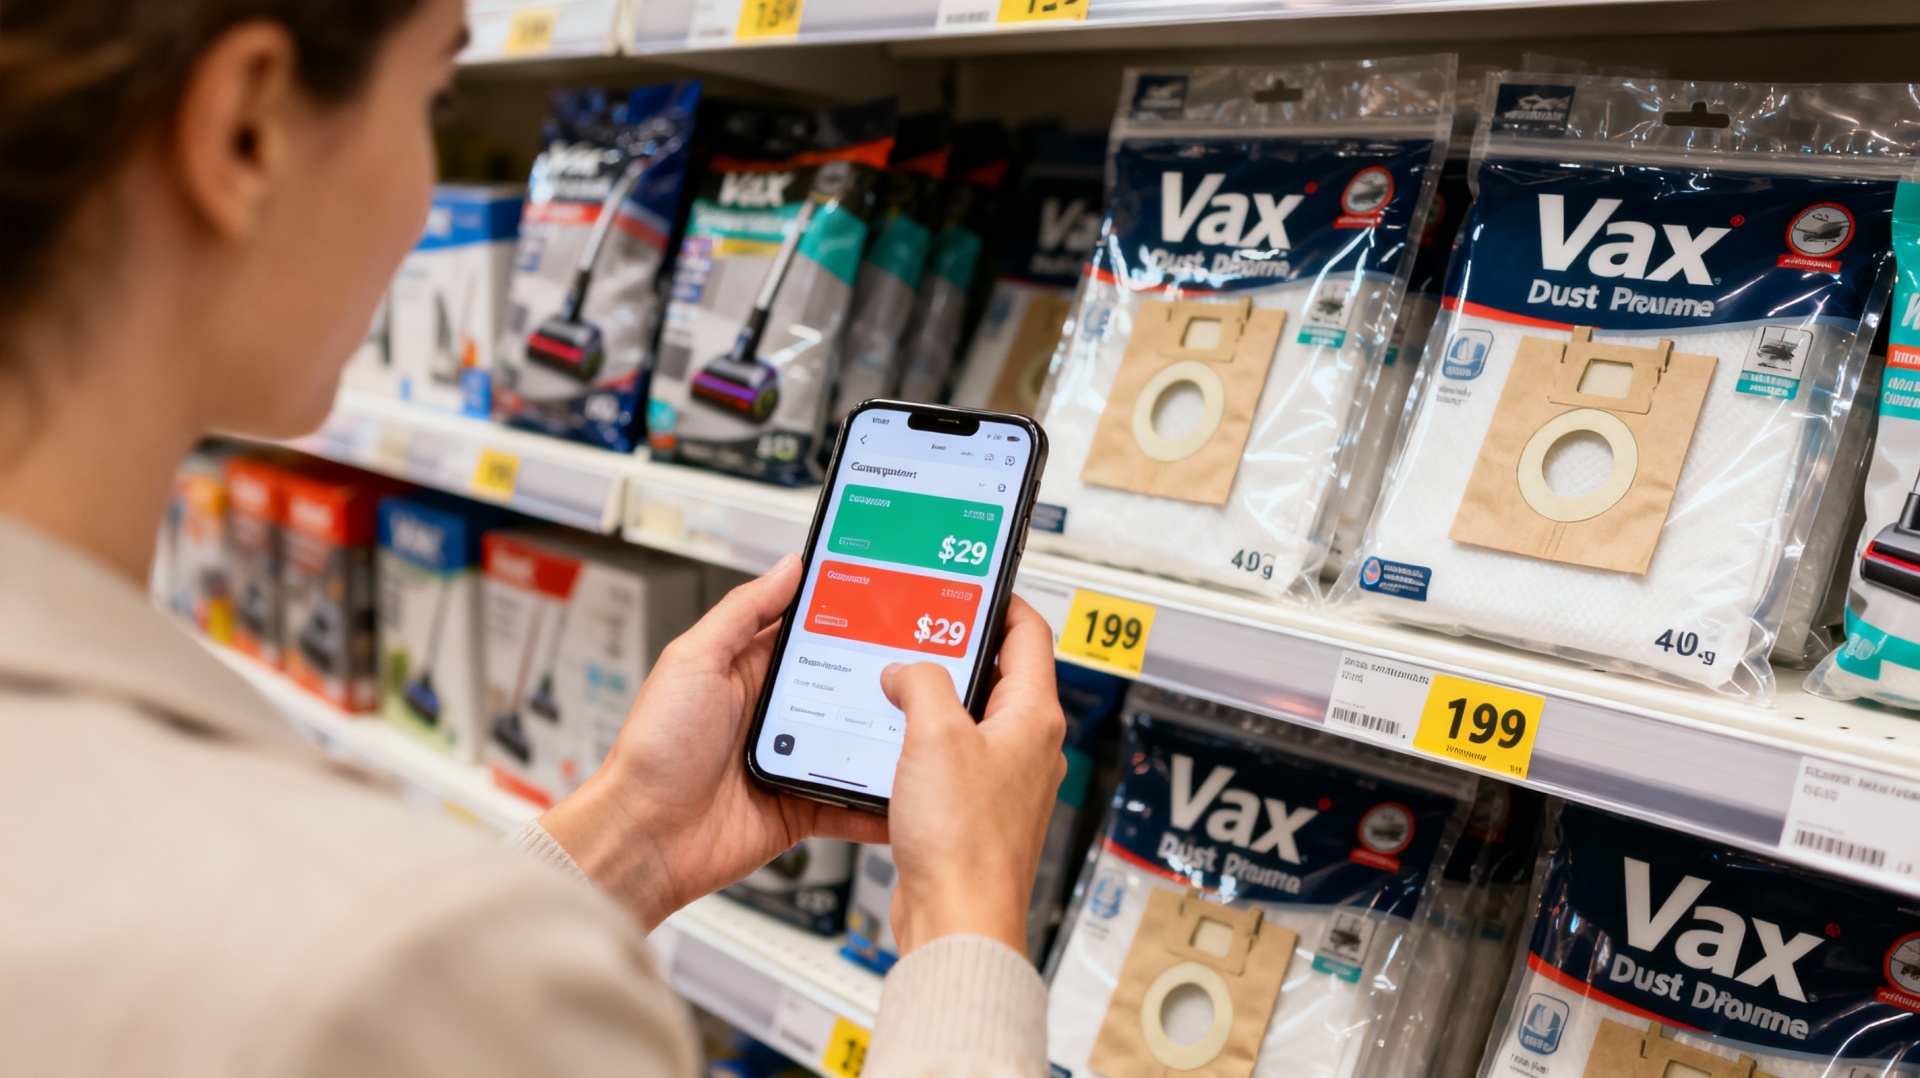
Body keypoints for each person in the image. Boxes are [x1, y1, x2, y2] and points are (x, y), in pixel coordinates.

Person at [0, 1, 1067, 1074]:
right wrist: (964, 919)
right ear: (247, 131)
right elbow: (388, 986)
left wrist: (638, 832)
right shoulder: (365, 956)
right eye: (435, 95)